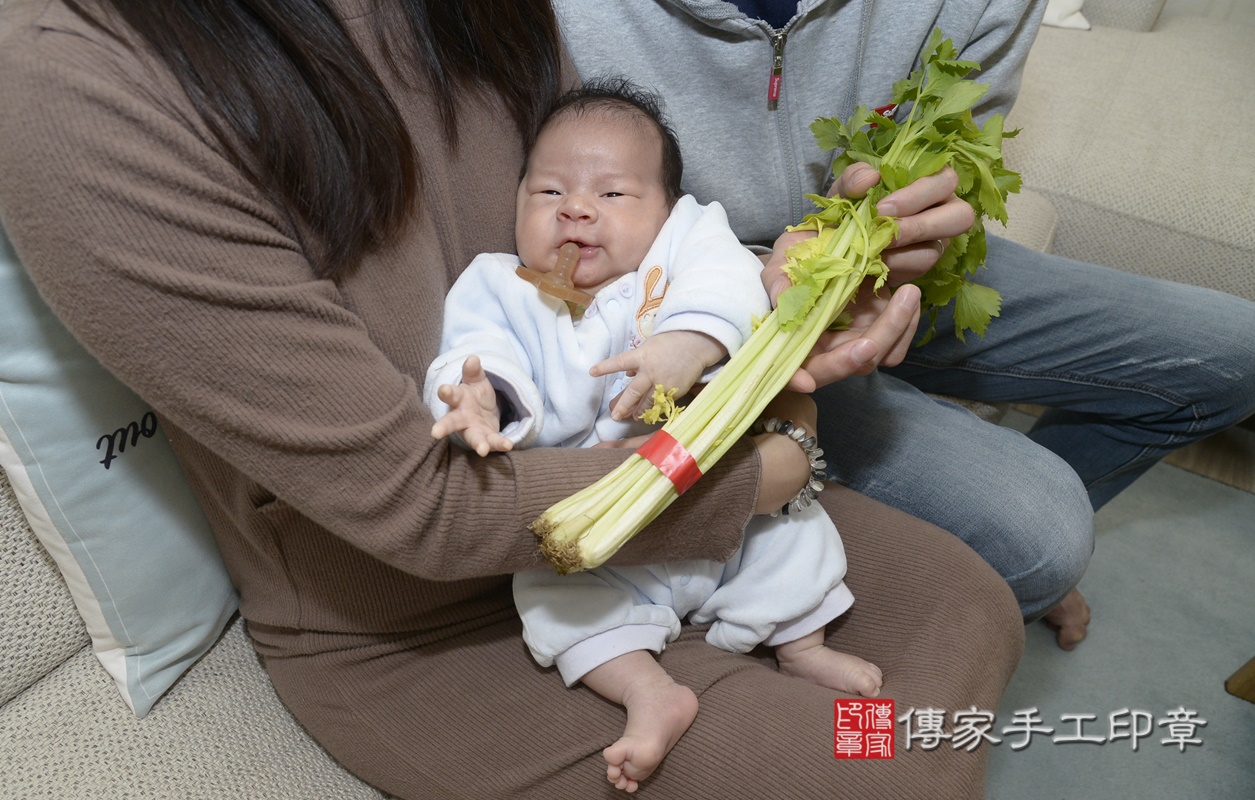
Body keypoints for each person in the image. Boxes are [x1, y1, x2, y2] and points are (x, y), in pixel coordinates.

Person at [0, 1, 1025, 797]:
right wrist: (780, 455)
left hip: (631, 471)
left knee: (969, 608)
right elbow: (427, 505)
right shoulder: (74, 85)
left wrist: (773, 297)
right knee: (878, 766)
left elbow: (619, 253)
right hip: (420, 611)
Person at [552, 0, 1255, 650]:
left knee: (1232, 353)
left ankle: (976, 553)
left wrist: (919, 231)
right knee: (1042, 538)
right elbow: (545, 228)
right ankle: (924, 562)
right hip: (685, 302)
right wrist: (758, 279)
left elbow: (959, 146)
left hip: (868, 255)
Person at [425, 81, 881, 792]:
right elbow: (475, 350)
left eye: (612, 195)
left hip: (718, 502)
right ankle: (649, 691)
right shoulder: (498, 285)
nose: (576, 208)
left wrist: (690, 342)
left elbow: (733, 281)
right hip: (603, 534)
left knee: (795, 538)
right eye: (548, 193)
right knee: (547, 600)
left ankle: (801, 643)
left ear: (665, 210)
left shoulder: (686, 246)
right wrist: (479, 399)